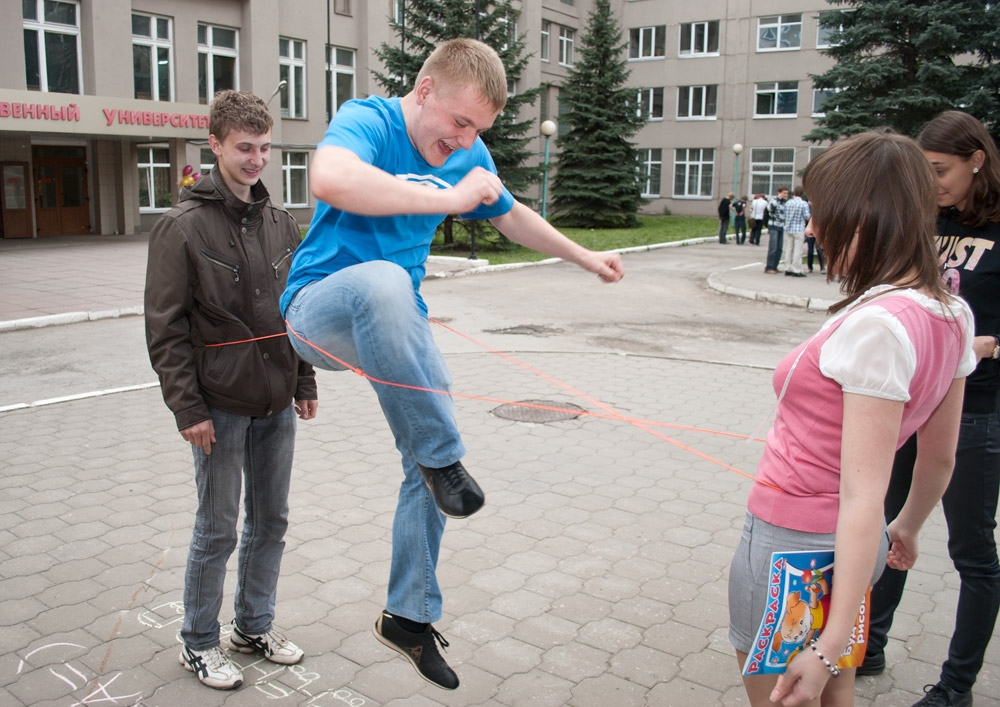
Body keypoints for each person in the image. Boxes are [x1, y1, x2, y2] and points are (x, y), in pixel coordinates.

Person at [279, 38, 624, 691]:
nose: (465, 140)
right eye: (460, 123)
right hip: (317, 313)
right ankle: (440, 456)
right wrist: (447, 196)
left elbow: (509, 213)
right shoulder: (371, 119)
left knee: (431, 458)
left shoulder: (469, 151)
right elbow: (330, 178)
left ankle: (408, 615)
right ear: (426, 89)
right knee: (383, 282)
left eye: (480, 131)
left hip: (394, 324)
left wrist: (583, 257)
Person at [728, 130, 976, 707]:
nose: (812, 230)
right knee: (834, 695)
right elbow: (939, 457)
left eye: (823, 215)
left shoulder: (878, 325)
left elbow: (864, 495)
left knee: (787, 693)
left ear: (869, 218)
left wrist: (826, 644)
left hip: (794, 545)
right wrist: (907, 527)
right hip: (849, 550)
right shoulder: (952, 312)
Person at [145, 90, 319, 690]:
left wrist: (304, 377)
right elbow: (164, 328)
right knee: (217, 527)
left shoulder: (281, 222)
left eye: (265, 148)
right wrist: (186, 407)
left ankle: (253, 626)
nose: (256, 160)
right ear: (214, 143)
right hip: (218, 408)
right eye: (245, 148)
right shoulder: (180, 227)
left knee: (270, 521)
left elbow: (293, 310)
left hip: (276, 401)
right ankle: (198, 641)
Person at [859, 110, 1000, 707]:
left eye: (940, 170)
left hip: (977, 409)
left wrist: (989, 345)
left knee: (972, 552)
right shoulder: (928, 220)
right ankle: (870, 645)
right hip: (912, 402)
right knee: (886, 529)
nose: (933, 182)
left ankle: (956, 686)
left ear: (978, 159)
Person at [783, 186, 811, 277]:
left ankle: (787, 268)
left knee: (788, 248)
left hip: (788, 228)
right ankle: (796, 269)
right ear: (802, 193)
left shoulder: (788, 203)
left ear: (794, 192)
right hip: (798, 228)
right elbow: (807, 216)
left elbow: (785, 214)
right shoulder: (803, 204)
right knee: (798, 250)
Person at [764, 186, 790, 273]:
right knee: (773, 247)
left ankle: (775, 266)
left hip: (781, 226)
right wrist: (778, 198)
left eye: (787, 193)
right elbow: (769, 208)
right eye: (784, 193)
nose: (786, 195)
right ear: (779, 192)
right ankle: (769, 267)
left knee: (779, 248)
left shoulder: (784, 203)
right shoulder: (774, 200)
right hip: (773, 226)